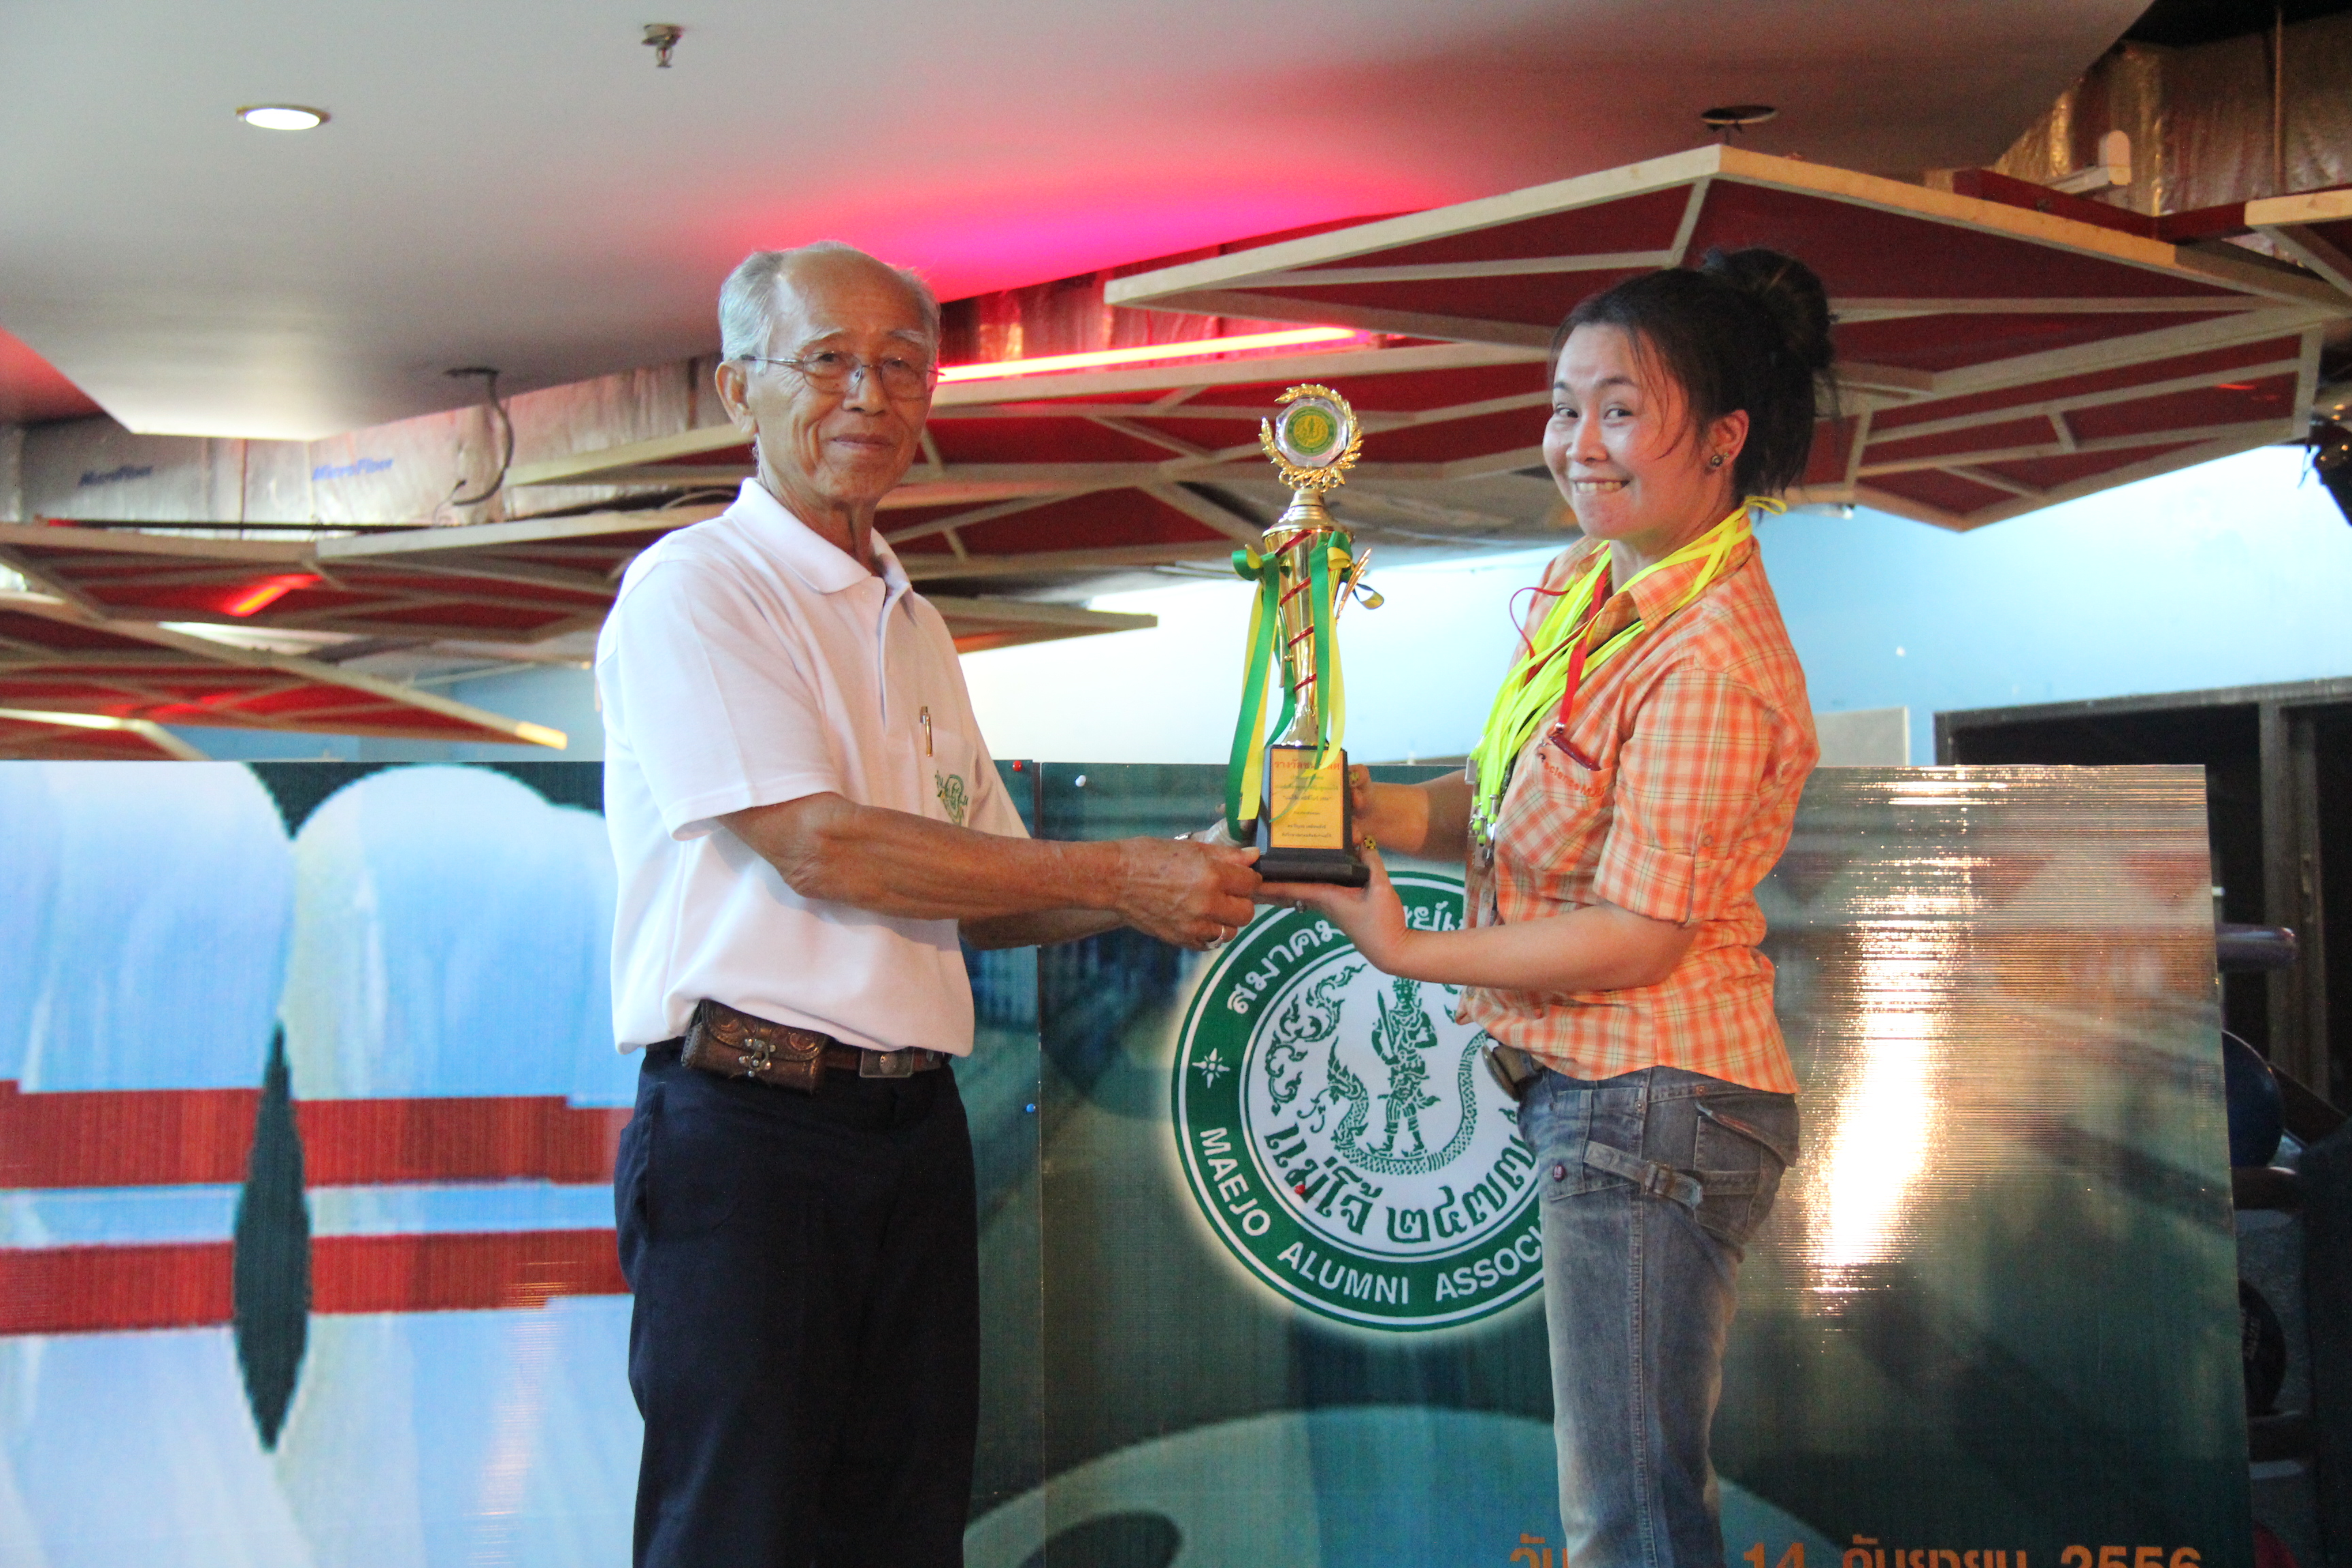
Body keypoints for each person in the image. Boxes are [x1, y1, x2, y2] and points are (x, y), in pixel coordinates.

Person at [598, 241, 1260, 1568]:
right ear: (737, 389)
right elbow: (823, 849)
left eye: (902, 365)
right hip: (752, 1131)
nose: (869, 395)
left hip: (911, 1128)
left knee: (904, 1529)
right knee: (738, 1531)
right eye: (827, 361)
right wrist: (1121, 877)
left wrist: (1184, 868)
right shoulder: (699, 587)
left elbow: (984, 886)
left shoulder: (912, 620)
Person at [1267, 247, 1828, 1568]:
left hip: (1656, 1094)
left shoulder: (1710, 653)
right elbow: (1507, 797)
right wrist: (1371, 811)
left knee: (1631, 1522)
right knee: (1626, 1506)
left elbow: (1641, 933)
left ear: (1725, 439)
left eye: (1621, 410)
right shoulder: (1596, 584)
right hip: (1617, 1097)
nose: (1579, 443)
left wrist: (1405, 946)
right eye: (1566, 406)